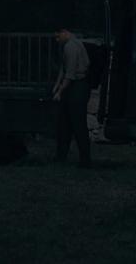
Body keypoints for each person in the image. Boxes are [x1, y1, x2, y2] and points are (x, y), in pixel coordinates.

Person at [51, 27, 92, 168]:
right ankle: (61, 156)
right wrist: (57, 86)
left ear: (65, 32)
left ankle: (85, 159)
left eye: (58, 37)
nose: (57, 40)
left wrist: (59, 91)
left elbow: (70, 73)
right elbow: (63, 69)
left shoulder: (71, 46)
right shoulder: (68, 46)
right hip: (74, 85)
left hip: (78, 85)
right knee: (64, 122)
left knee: (78, 123)